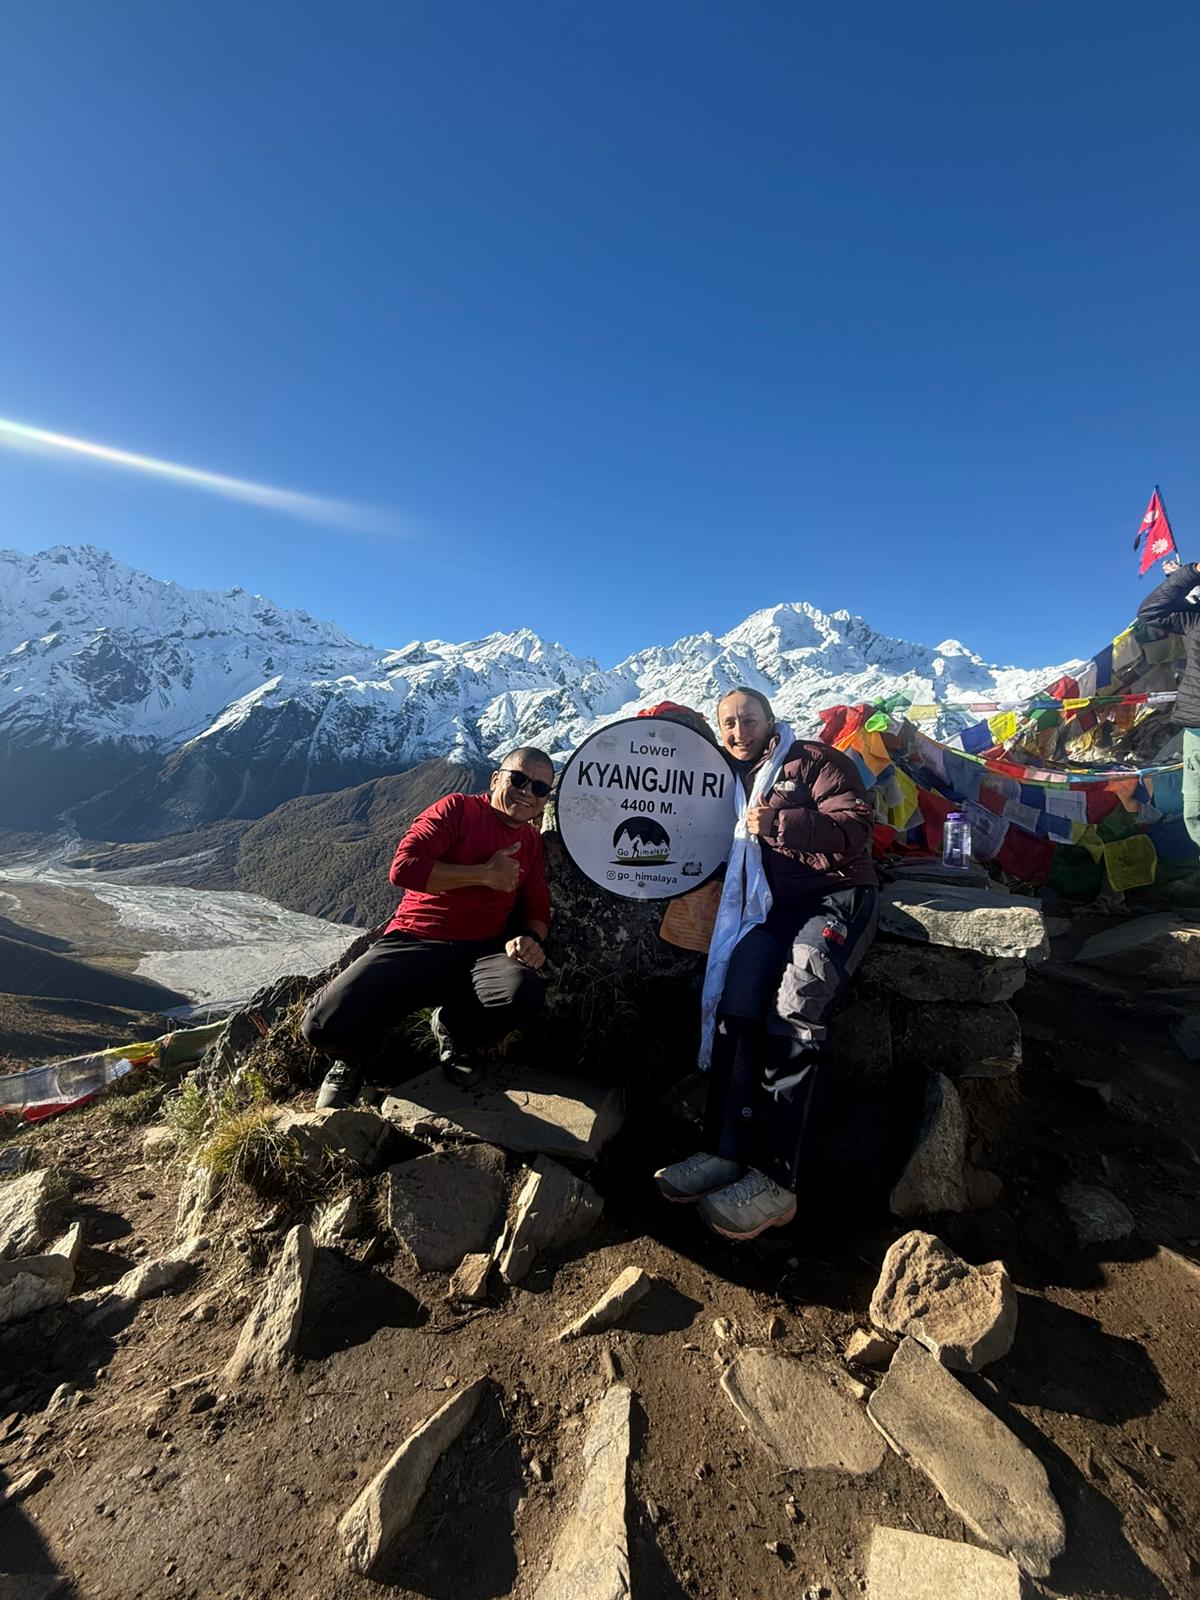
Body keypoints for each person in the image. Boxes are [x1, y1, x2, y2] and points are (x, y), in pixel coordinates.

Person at [655, 687, 878, 1240]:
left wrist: (780, 822)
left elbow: (855, 830)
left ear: (771, 721)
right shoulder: (729, 782)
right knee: (736, 1002)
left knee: (795, 1009)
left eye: (747, 720)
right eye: (726, 724)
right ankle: (724, 1151)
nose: (737, 732)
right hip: (771, 909)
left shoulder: (815, 761)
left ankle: (778, 1181)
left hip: (836, 896)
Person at [302, 747, 555, 1107]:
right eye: (518, 778)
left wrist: (531, 938)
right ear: (495, 778)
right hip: (415, 942)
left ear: (545, 801)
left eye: (540, 788)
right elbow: (403, 868)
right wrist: (484, 875)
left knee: (524, 994)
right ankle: (357, 1056)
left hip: (481, 952)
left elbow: (538, 908)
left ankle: (456, 1030)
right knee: (321, 1025)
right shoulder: (458, 810)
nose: (527, 791)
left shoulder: (531, 844)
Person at [1137, 557, 1200, 847]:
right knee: (1195, 810)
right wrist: (1192, 572)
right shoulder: (1193, 617)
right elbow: (1151, 611)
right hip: (1198, 727)